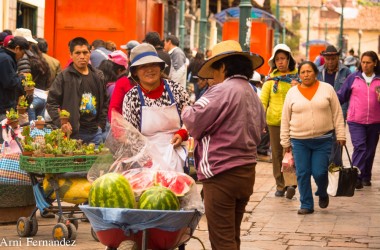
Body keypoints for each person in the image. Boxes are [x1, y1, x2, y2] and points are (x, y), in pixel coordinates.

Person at [182, 40, 265, 250]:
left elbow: (193, 120)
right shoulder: (252, 93)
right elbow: (260, 129)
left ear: (223, 67)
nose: (212, 76)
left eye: (214, 70)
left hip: (221, 174)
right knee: (232, 235)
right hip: (246, 172)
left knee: (222, 239)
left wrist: (184, 107)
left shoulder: (220, 91)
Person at [281, 61, 346, 215]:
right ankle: (306, 204)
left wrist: (341, 134)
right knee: (302, 173)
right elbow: (285, 117)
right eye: (303, 72)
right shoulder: (292, 93)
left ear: (316, 73)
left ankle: (322, 192)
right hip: (299, 140)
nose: (306, 75)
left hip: (322, 140)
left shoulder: (327, 89)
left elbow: (337, 113)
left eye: (309, 71)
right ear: (299, 74)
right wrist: (285, 141)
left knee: (320, 172)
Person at [122, 43, 190, 172]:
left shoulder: (176, 90)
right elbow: (131, 135)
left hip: (176, 155)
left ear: (160, 67)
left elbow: (192, 119)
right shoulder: (132, 98)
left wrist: (183, 133)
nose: (150, 70)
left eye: (153, 64)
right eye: (143, 66)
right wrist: (145, 159)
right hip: (147, 161)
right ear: (135, 72)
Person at [47, 37, 108, 146]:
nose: (82, 56)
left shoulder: (98, 76)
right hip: (74, 134)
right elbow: (51, 102)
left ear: (90, 53)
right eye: (77, 53)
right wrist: (62, 123)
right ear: (71, 55)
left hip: (95, 133)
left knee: (96, 163)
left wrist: (101, 125)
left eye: (85, 52)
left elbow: (105, 102)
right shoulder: (64, 77)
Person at [260, 43, 299, 199]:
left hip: (294, 122)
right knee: (276, 154)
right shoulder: (270, 81)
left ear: (289, 59)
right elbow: (263, 102)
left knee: (289, 153)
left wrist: (299, 87)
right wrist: (261, 121)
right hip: (274, 123)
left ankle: (290, 183)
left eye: (283, 58)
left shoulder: (297, 79)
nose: (281, 62)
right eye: (277, 60)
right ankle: (280, 185)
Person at [337, 51, 380, 189]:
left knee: (370, 150)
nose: (365, 65)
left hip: (375, 121)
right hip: (356, 120)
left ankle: (366, 176)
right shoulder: (353, 78)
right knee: (360, 147)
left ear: (375, 63)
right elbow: (341, 96)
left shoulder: (379, 79)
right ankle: (356, 177)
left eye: (368, 62)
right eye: (363, 62)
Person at [0, 36, 30, 143]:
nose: (23, 56)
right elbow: (10, 83)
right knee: (4, 142)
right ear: (17, 48)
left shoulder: (5, 58)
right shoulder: (6, 59)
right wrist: (22, 78)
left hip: (5, 106)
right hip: (3, 108)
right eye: (23, 52)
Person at [317, 45, 351, 119]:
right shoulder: (318, 71)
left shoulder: (346, 71)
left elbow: (350, 92)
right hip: (321, 109)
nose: (330, 62)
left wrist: (349, 109)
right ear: (324, 59)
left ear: (338, 58)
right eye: (327, 59)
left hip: (340, 109)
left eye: (333, 59)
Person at [27, 43, 51, 121]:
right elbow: (48, 81)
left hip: (33, 97)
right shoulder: (44, 63)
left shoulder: (29, 63)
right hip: (43, 97)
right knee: (40, 127)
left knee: (31, 128)